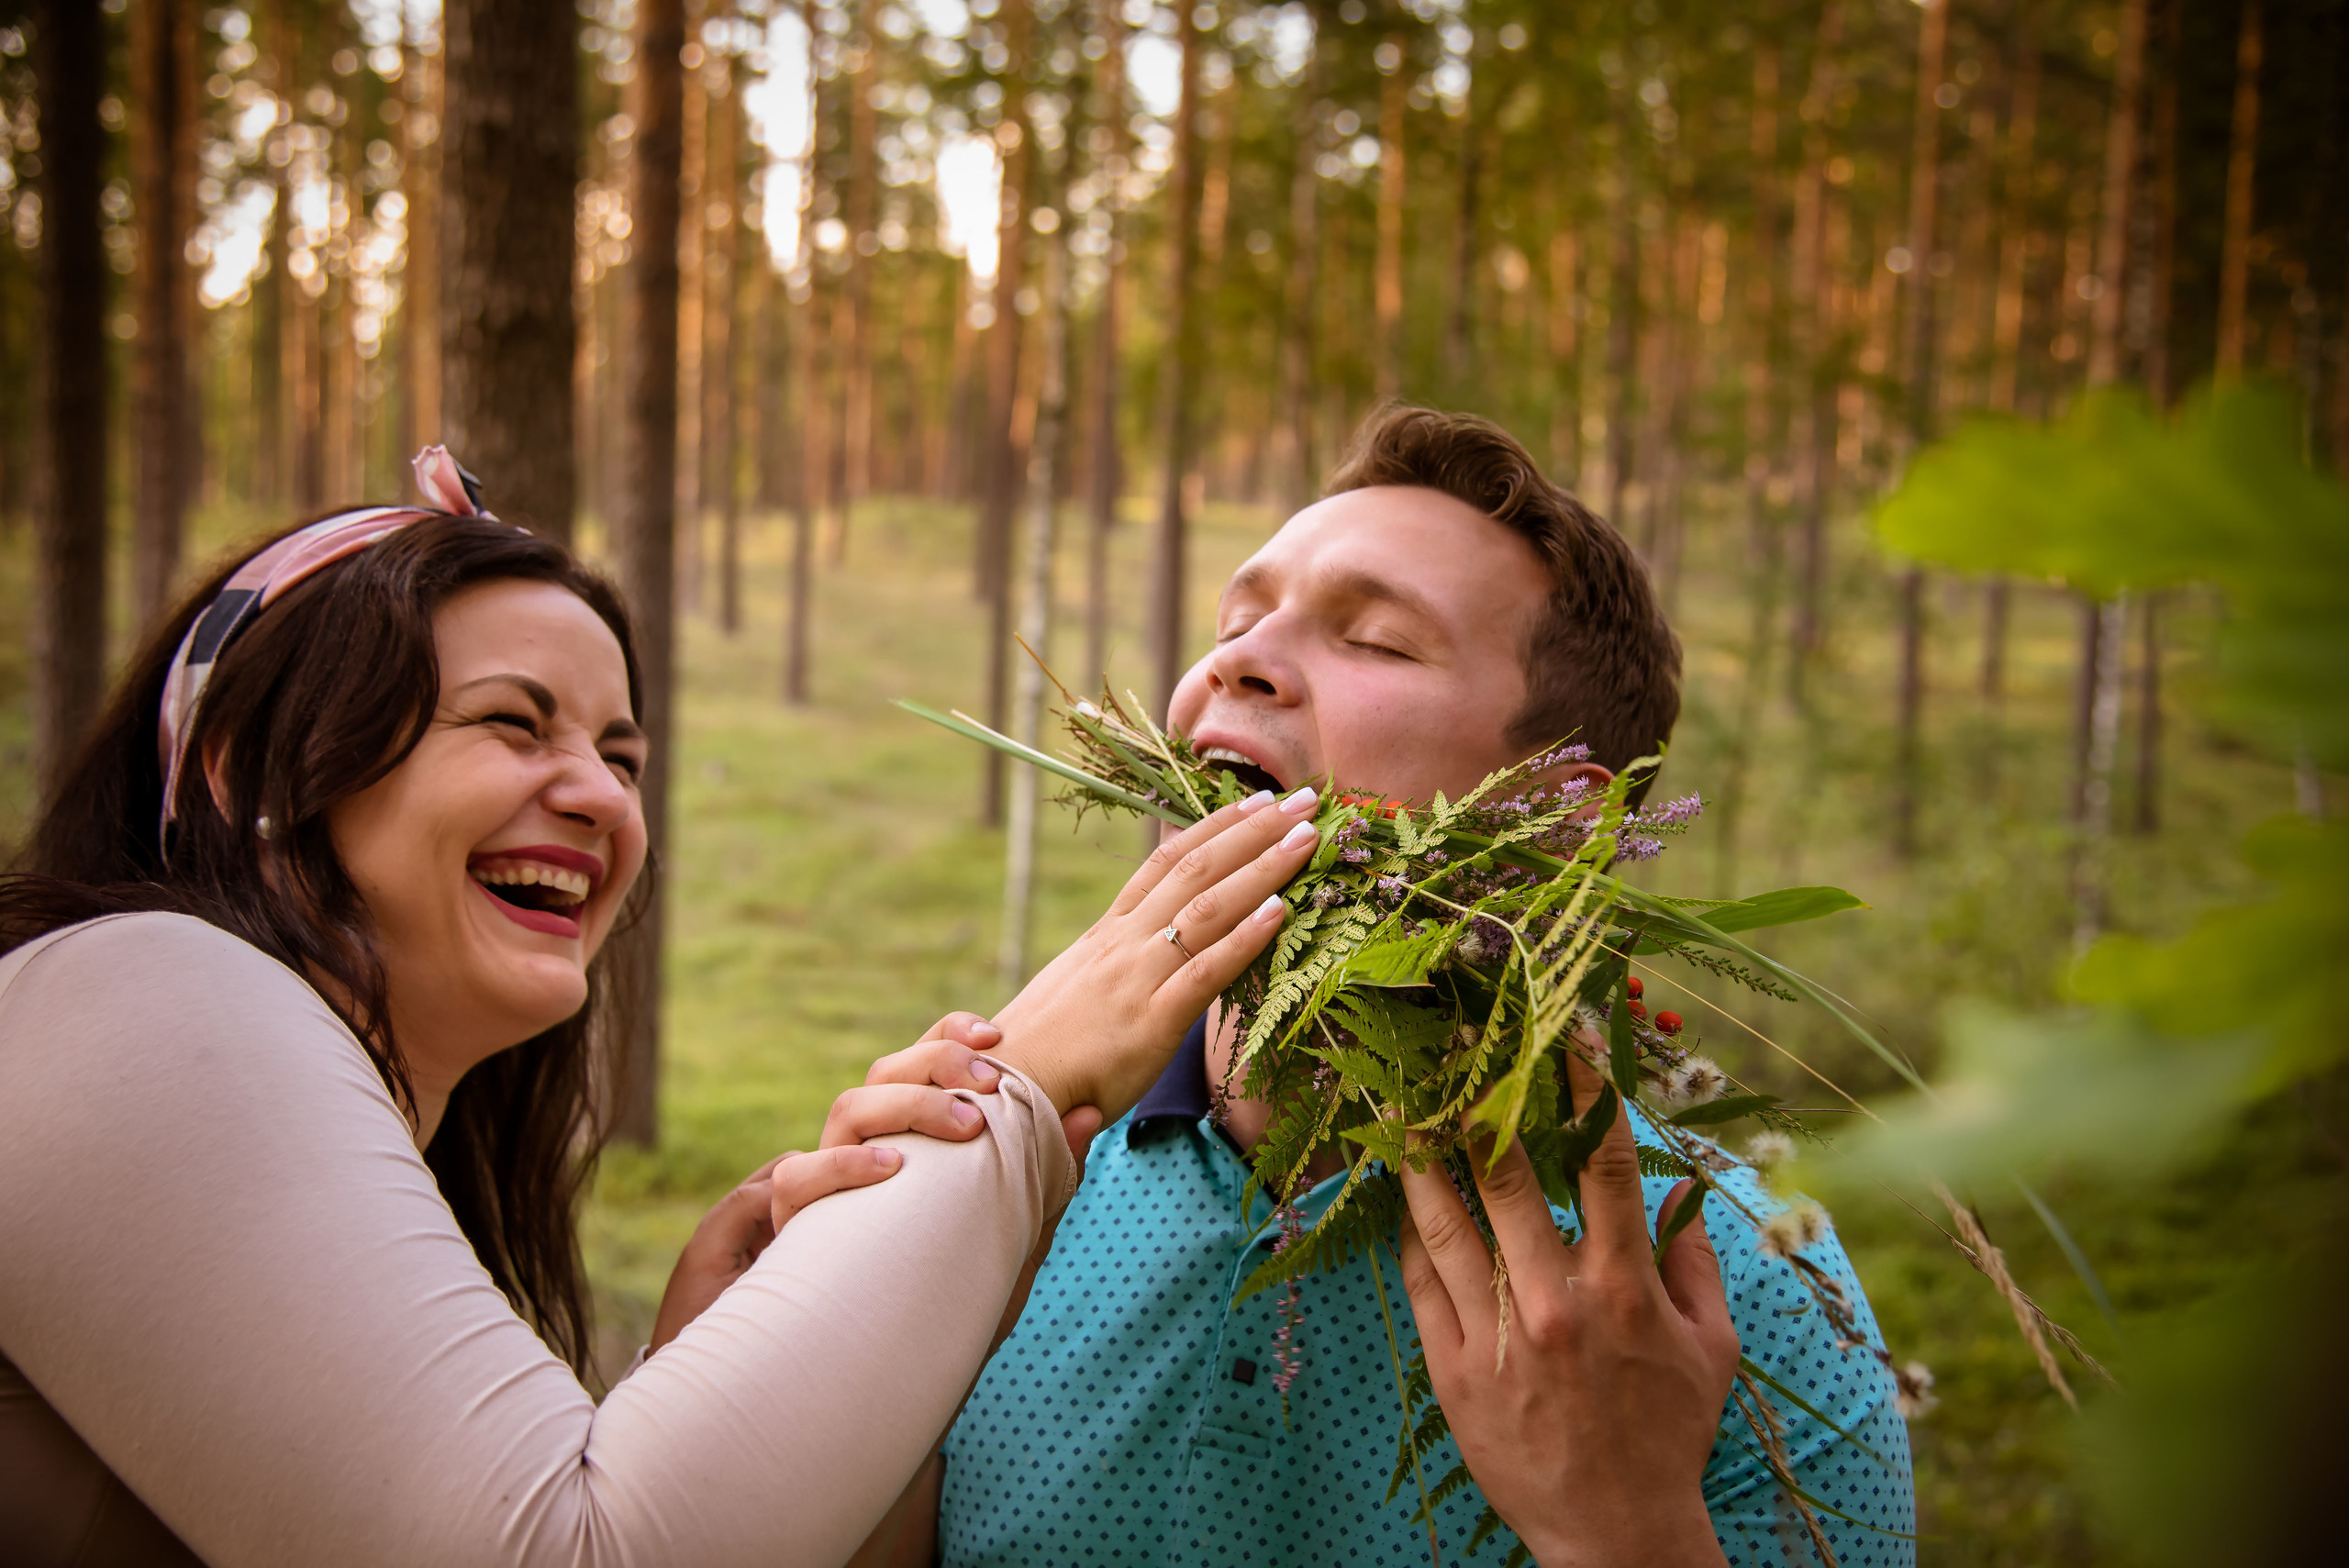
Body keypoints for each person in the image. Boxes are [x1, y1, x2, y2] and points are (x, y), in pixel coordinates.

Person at [0, 449, 1325, 1567]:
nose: (598, 797)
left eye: (619, 755)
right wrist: (1019, 1099)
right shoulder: (137, 987)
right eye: (515, 725)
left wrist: (688, 1395)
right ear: (250, 765)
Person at [924, 407, 1919, 1565]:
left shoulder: (1732, 1283)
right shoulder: (1004, 1154)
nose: (1232, 661)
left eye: (1379, 640)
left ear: (1551, 815)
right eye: (1238, 620)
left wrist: (1629, 1528)